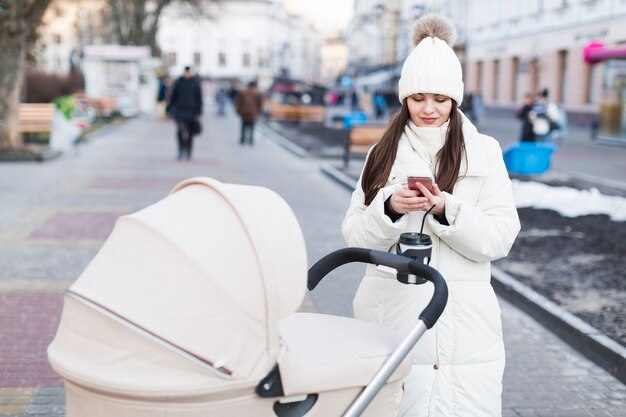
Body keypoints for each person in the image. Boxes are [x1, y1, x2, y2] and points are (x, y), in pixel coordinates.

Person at [342, 14, 520, 417]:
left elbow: (500, 237)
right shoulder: (382, 154)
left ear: (455, 99)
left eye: (440, 99)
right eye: (418, 97)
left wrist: (447, 209)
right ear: (404, 97)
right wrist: (388, 208)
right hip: (393, 322)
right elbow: (354, 237)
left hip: (466, 330)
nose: (428, 109)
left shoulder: (484, 151)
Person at [166, 66, 203, 159]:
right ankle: (180, 149)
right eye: (185, 73)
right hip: (180, 111)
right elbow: (173, 97)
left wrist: (199, 113)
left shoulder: (195, 83)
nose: (187, 74)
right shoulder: (178, 83)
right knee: (180, 131)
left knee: (190, 133)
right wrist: (169, 109)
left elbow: (199, 99)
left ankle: (189, 151)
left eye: (188, 73)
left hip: (192, 112)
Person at [235, 81, 262, 145]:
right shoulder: (256, 93)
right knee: (252, 126)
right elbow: (259, 104)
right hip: (253, 112)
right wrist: (259, 112)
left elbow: (239, 102)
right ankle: (251, 140)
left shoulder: (243, 92)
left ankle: (242, 139)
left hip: (244, 112)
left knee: (243, 125)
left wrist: (238, 111)